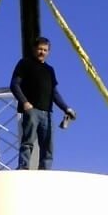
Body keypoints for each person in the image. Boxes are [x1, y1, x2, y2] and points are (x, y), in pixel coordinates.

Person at [10, 36, 76, 170]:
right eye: (40, 49)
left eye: (45, 50)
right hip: (32, 110)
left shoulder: (50, 70)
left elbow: (54, 93)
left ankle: (45, 171)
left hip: (48, 113)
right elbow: (14, 85)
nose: (42, 52)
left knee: (48, 145)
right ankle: (23, 168)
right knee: (28, 142)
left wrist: (66, 108)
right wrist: (25, 103)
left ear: (48, 52)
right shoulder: (25, 64)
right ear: (34, 49)